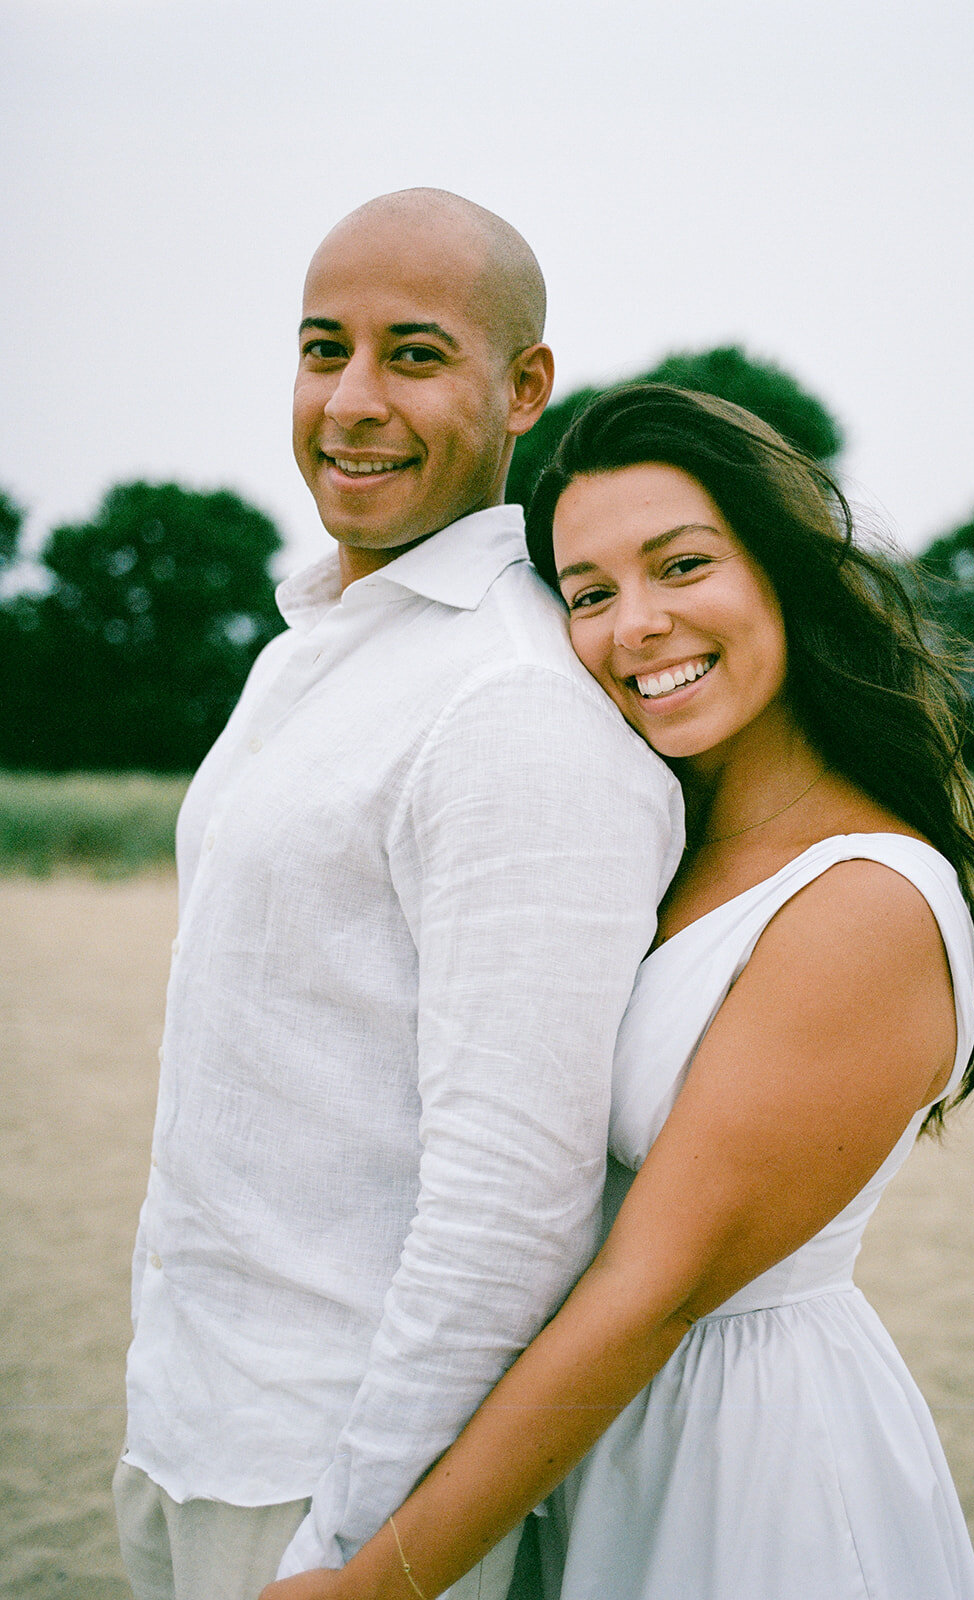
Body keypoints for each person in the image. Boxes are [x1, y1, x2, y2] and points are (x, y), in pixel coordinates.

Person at [260, 384, 974, 1600]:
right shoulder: (658, 849)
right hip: (597, 1436)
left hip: (747, 1457)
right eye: (587, 592)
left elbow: (648, 1291)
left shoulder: (862, 904)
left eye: (679, 565)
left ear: (785, 575)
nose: (634, 624)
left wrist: (377, 1580)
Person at [112, 197, 683, 1600]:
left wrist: (356, 1536)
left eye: (414, 356)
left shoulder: (512, 699)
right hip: (193, 1425)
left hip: (339, 1478)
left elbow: (515, 1194)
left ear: (522, 389)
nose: (352, 403)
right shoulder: (310, 646)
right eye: (324, 349)